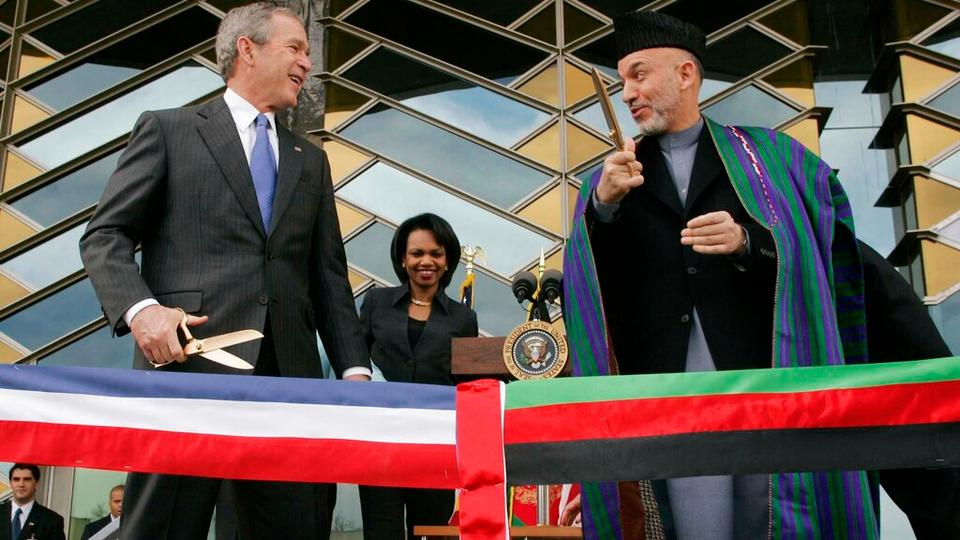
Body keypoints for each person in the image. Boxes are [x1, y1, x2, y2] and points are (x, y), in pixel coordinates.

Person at [561, 9, 958, 540]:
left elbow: (822, 250)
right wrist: (604, 210)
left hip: (769, 389)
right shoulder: (607, 181)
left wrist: (748, 242)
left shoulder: (772, 159)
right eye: (620, 80)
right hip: (663, 397)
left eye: (638, 74)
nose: (627, 92)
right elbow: (592, 290)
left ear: (686, 74)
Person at [78, 3, 371, 539]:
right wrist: (142, 312)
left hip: (290, 384)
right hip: (187, 371)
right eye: (297, 48)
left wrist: (354, 371)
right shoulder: (169, 130)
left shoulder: (311, 158)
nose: (309, 62)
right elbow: (104, 236)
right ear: (246, 48)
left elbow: (328, 276)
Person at [357, 213, 478, 539]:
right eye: (417, 253)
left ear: (448, 259)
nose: (427, 261)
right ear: (402, 258)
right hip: (379, 444)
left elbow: (466, 384)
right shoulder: (376, 303)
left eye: (436, 254)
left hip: (435, 446)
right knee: (381, 532)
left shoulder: (464, 318)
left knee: (431, 533)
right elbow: (356, 363)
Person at [1, 464, 65, 540]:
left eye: (27, 479)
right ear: (10, 483)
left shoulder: (52, 521)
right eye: (16, 479)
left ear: (36, 483)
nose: (21, 484)